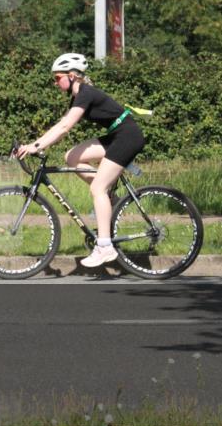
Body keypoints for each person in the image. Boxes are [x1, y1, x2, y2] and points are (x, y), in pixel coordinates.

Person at [15, 53, 145, 268]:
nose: (55, 82)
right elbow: (62, 124)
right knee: (72, 157)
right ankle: (110, 197)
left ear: (72, 75)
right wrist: (36, 144)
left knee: (97, 190)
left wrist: (34, 146)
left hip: (127, 137)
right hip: (116, 135)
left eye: (57, 78)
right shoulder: (77, 96)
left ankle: (104, 247)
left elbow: (65, 128)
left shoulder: (86, 93)